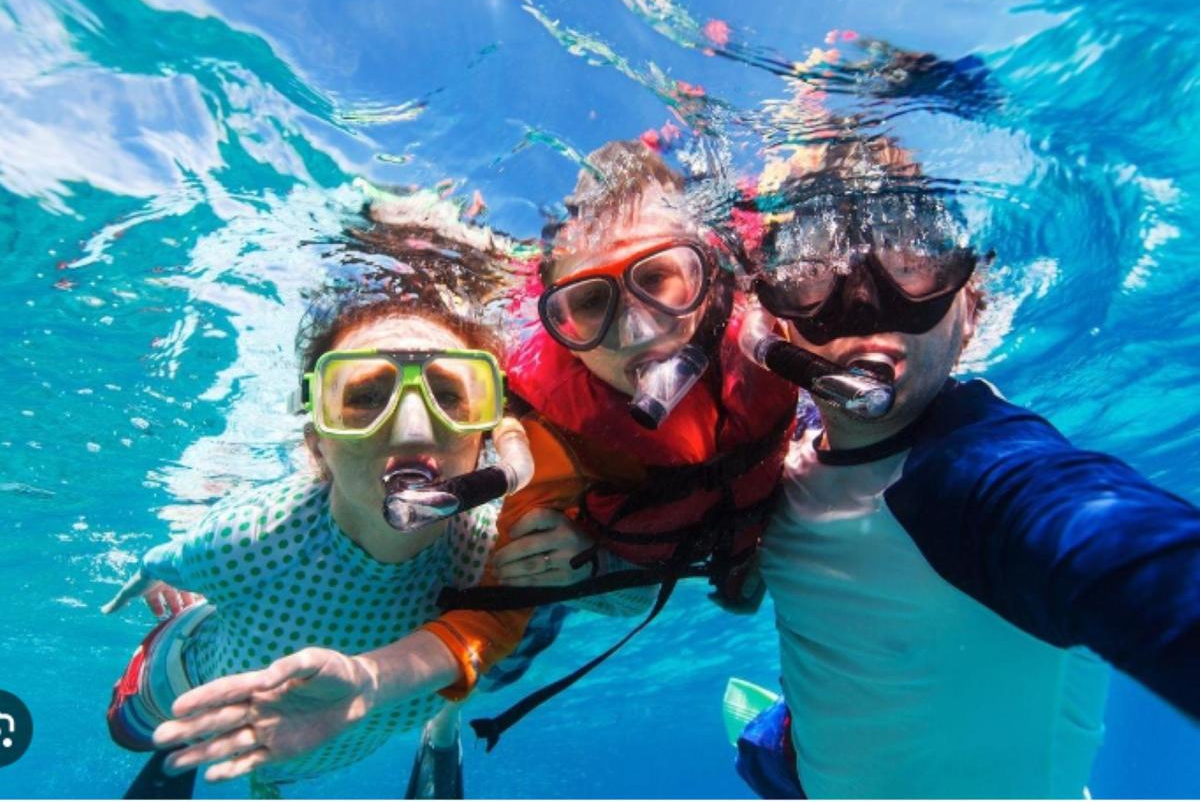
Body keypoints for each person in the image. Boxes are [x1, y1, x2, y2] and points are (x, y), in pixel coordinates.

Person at [138, 139, 801, 781]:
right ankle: (445, 716)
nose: (638, 330)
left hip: (722, 549)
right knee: (509, 647)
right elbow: (485, 623)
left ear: (708, 269)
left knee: (730, 600)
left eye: (659, 278)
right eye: (591, 303)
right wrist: (370, 682)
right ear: (558, 327)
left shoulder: (784, 336)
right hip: (606, 570)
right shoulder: (547, 441)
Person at [731, 139, 1200, 798]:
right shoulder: (782, 458)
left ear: (971, 309)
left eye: (912, 258)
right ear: (779, 321)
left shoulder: (978, 476)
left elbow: (1127, 553)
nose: (866, 305)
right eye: (813, 268)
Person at [102, 193, 532, 798]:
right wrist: (157, 571)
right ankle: (207, 748)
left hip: (380, 712)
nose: (413, 428)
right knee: (129, 730)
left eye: (450, 394)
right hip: (195, 680)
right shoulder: (255, 535)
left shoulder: (500, 545)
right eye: (363, 397)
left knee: (505, 654)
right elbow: (168, 557)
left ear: (489, 431)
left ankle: (441, 715)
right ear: (317, 441)